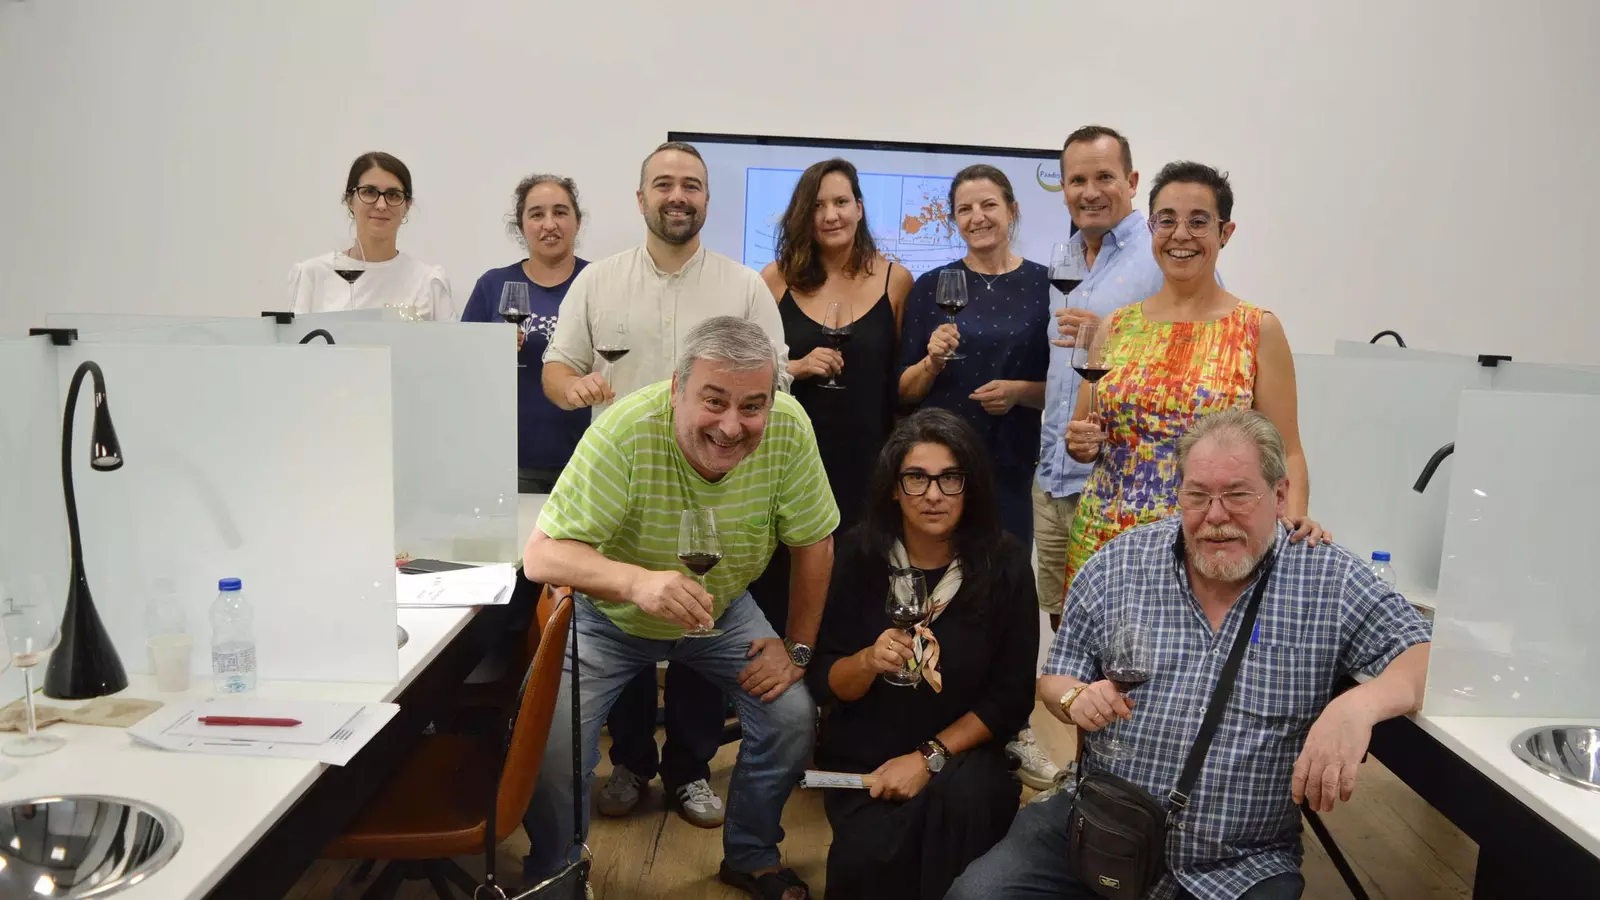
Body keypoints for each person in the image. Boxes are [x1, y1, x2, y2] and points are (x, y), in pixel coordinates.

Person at [948, 409, 1433, 900]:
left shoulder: (1327, 580)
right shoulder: (1120, 564)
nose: (1216, 516)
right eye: (1197, 495)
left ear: (1280, 494)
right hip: (1102, 829)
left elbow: (1426, 654)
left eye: (1238, 495)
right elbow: (1055, 678)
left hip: (1242, 859)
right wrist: (1075, 698)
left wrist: (1358, 706)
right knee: (977, 894)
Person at [522, 317, 836, 900]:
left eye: (752, 406)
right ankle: (554, 876)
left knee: (792, 716)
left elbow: (815, 542)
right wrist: (636, 583)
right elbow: (541, 556)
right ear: (676, 389)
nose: (732, 426)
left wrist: (797, 648)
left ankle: (751, 856)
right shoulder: (624, 431)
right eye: (714, 401)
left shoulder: (791, 427)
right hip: (608, 618)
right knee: (550, 742)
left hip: (722, 609)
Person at [541, 141, 796, 828]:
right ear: (641, 198)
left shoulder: (744, 287)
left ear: (707, 199)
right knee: (623, 618)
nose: (677, 195)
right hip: (626, 495)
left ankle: (690, 770)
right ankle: (630, 762)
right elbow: (557, 369)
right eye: (663, 184)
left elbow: (778, 379)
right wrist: (574, 390)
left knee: (702, 625)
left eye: (691, 184)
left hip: (718, 490)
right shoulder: (598, 282)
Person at [1061, 161, 1327, 599]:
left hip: (1212, 541)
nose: (1180, 234)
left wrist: (1293, 525)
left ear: (1225, 232)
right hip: (1106, 537)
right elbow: (1082, 436)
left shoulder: (1256, 329)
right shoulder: (1115, 327)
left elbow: (1289, 450)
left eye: (1198, 221)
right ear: (1151, 228)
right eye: (1166, 220)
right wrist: (1080, 443)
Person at [806, 408, 1035, 900]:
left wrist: (928, 757)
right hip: (869, 760)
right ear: (894, 487)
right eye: (916, 478)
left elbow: (1012, 698)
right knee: (867, 862)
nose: (933, 494)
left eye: (950, 478)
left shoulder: (1005, 564)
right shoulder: (859, 555)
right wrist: (867, 661)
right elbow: (826, 679)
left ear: (970, 487)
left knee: (965, 809)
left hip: (962, 758)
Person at [750, 158, 911, 638]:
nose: (830, 215)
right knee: (780, 589)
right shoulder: (774, 279)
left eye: (841, 202)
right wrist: (796, 368)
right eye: (818, 205)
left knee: (855, 594)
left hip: (868, 467)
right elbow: (749, 372)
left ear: (859, 208)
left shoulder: (896, 281)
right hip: (787, 462)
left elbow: (903, 385)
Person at [1035, 126, 1166, 634]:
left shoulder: (1161, 254)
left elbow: (1198, 353)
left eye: (1104, 177)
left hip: (1119, 482)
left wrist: (1110, 339)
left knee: (1124, 630)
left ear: (1132, 182)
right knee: (1064, 626)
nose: (1089, 192)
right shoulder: (1065, 257)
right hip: (1053, 477)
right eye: (1077, 180)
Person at [897, 165, 1051, 546]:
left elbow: (1066, 389)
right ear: (954, 220)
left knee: (1006, 570)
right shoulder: (930, 285)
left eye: (988, 205)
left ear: (1012, 210)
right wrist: (931, 363)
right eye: (964, 209)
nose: (977, 217)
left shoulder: (1046, 285)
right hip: (941, 471)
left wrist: (1020, 393)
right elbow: (904, 392)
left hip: (1013, 465)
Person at [459, 174, 590, 493]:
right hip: (508, 461)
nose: (549, 224)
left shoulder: (597, 280)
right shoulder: (492, 285)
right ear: (520, 226)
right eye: (537, 214)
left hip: (588, 460)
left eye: (560, 212)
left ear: (577, 221)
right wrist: (490, 349)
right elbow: (461, 370)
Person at [288, 151, 452, 320]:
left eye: (393, 195)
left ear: (407, 206)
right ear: (350, 201)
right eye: (369, 192)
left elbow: (449, 338)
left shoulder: (429, 282)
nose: (381, 205)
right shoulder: (312, 275)